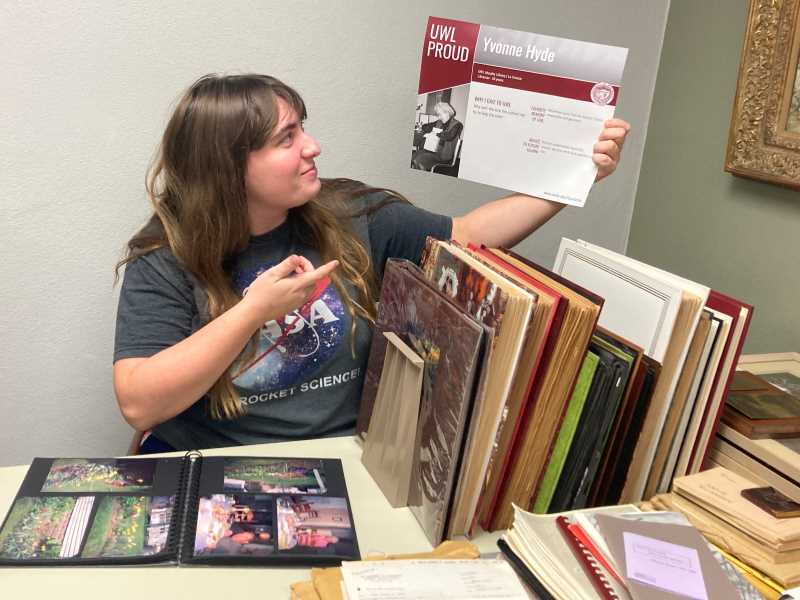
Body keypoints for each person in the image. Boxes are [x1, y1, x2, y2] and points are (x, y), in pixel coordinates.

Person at [113, 73, 629, 452]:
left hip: (345, 460)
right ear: (227, 168)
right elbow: (139, 403)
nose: (312, 147)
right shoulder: (166, 255)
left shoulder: (354, 216)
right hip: (213, 465)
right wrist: (252, 312)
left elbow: (469, 236)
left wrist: (575, 176)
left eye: (303, 129)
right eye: (285, 138)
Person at [411, 101, 463, 171]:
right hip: (433, 151)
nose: (439, 117)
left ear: (447, 112)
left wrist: (436, 133)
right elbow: (425, 126)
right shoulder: (439, 122)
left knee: (419, 160)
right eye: (438, 115)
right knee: (414, 156)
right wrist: (424, 128)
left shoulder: (458, 125)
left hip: (444, 156)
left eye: (440, 115)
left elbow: (449, 136)